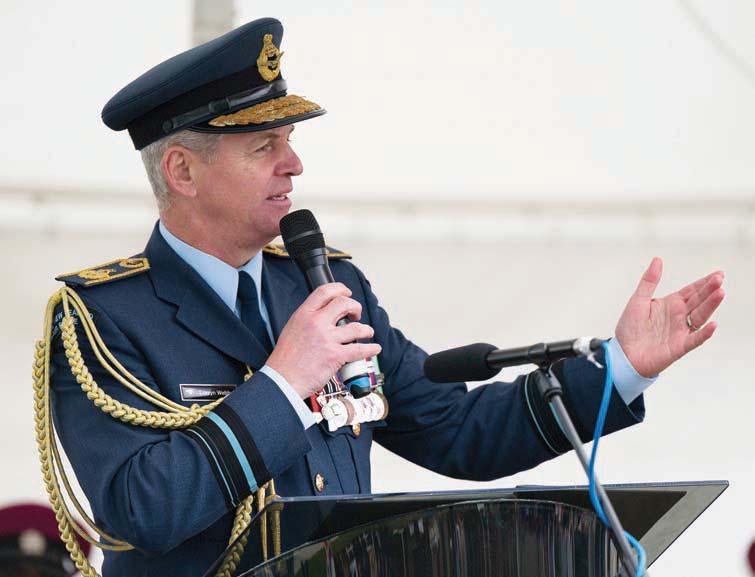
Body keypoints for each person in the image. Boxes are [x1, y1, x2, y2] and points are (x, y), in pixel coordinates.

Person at [39, 17, 724, 577]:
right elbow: (141, 509)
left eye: (290, 140)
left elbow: (457, 431)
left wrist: (621, 367)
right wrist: (284, 384)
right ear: (183, 170)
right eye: (264, 145)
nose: (293, 164)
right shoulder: (101, 318)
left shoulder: (321, 284)